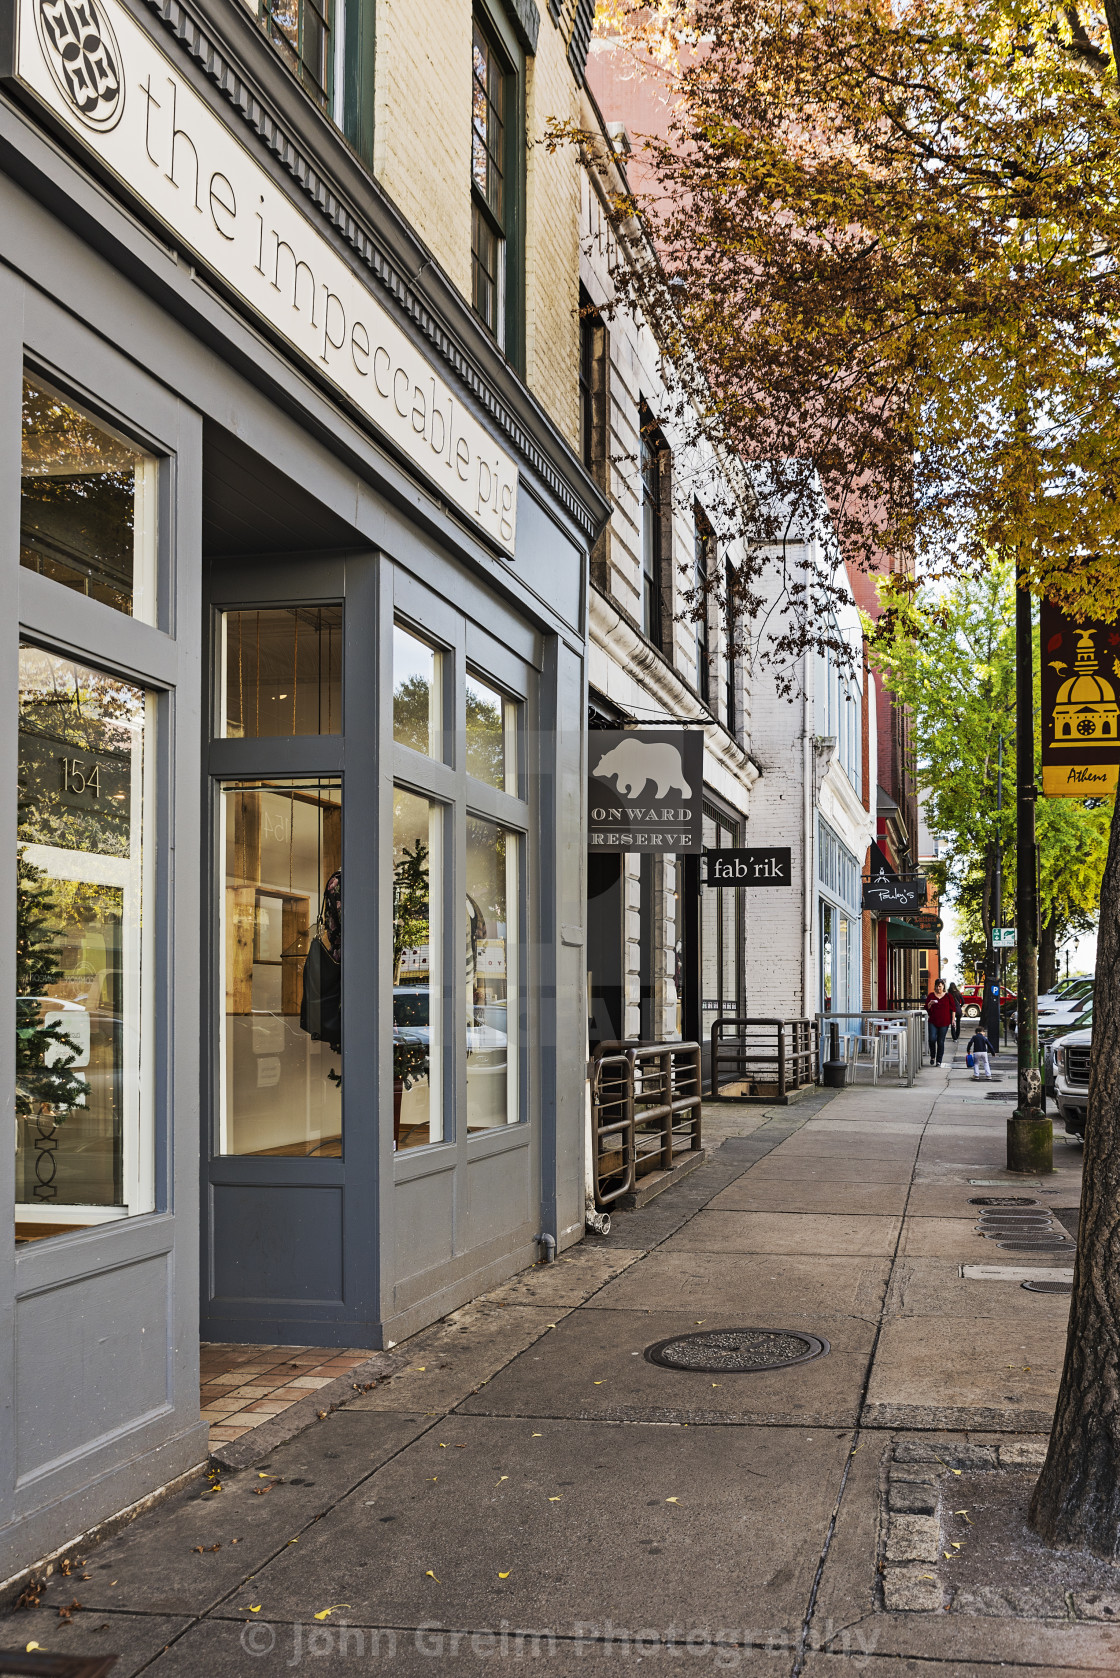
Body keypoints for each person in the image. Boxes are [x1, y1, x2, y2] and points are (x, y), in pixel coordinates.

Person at [924, 977, 955, 1066]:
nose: (938, 988)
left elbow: (953, 1009)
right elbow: (927, 1008)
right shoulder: (931, 996)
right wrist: (930, 1004)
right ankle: (932, 1056)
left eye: (940, 986)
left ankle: (939, 1060)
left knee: (940, 1041)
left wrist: (953, 1020)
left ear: (943, 987)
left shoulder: (948, 996)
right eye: (937, 986)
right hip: (933, 1021)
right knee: (932, 1039)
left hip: (944, 1022)